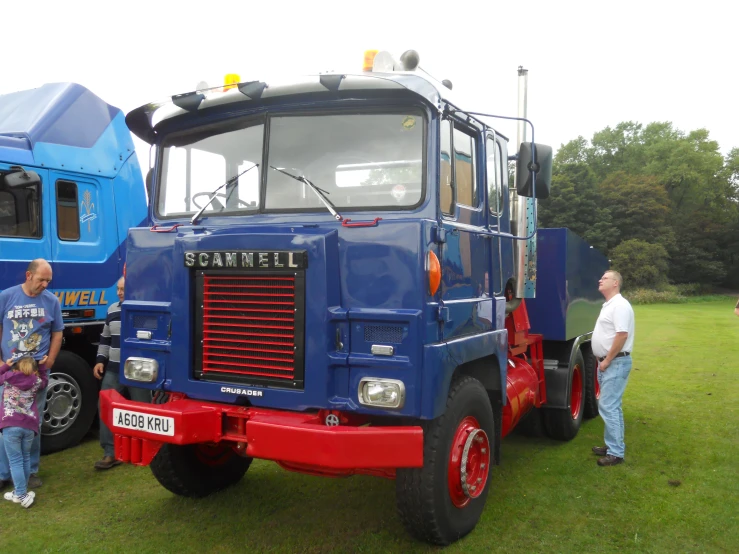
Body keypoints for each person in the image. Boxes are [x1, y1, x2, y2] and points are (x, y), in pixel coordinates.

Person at [0, 259, 63, 491]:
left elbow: (57, 332)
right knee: (5, 425)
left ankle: (31, 471)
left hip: (36, 376)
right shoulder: (6, 297)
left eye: (48, 280)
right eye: (41, 280)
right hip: (9, 376)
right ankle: (4, 473)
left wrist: (51, 361)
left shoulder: (52, 301)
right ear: (28, 275)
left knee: (33, 425)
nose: (45, 284)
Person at [93, 276, 150, 470]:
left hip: (139, 372)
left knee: (143, 410)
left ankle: (146, 449)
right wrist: (100, 361)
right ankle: (111, 453)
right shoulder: (111, 310)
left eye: (123, 289)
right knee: (105, 406)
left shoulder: (145, 310)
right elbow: (105, 339)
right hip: (114, 369)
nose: (119, 292)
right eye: (118, 289)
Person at [590, 270, 635, 467]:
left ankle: (616, 453)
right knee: (611, 406)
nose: (600, 280)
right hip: (610, 363)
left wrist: (607, 360)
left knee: (609, 406)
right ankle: (611, 446)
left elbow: (622, 335)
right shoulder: (610, 305)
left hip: (615, 363)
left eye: (605, 278)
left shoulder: (620, 305)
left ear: (615, 283)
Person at [0, 355, 48, 508]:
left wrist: (6, 366)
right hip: (29, 426)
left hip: (10, 424)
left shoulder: (8, 377)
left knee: (15, 461)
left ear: (16, 368)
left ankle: (21, 495)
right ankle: (21, 491)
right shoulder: (36, 381)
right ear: (33, 370)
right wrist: (42, 367)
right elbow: (45, 382)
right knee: (25, 458)